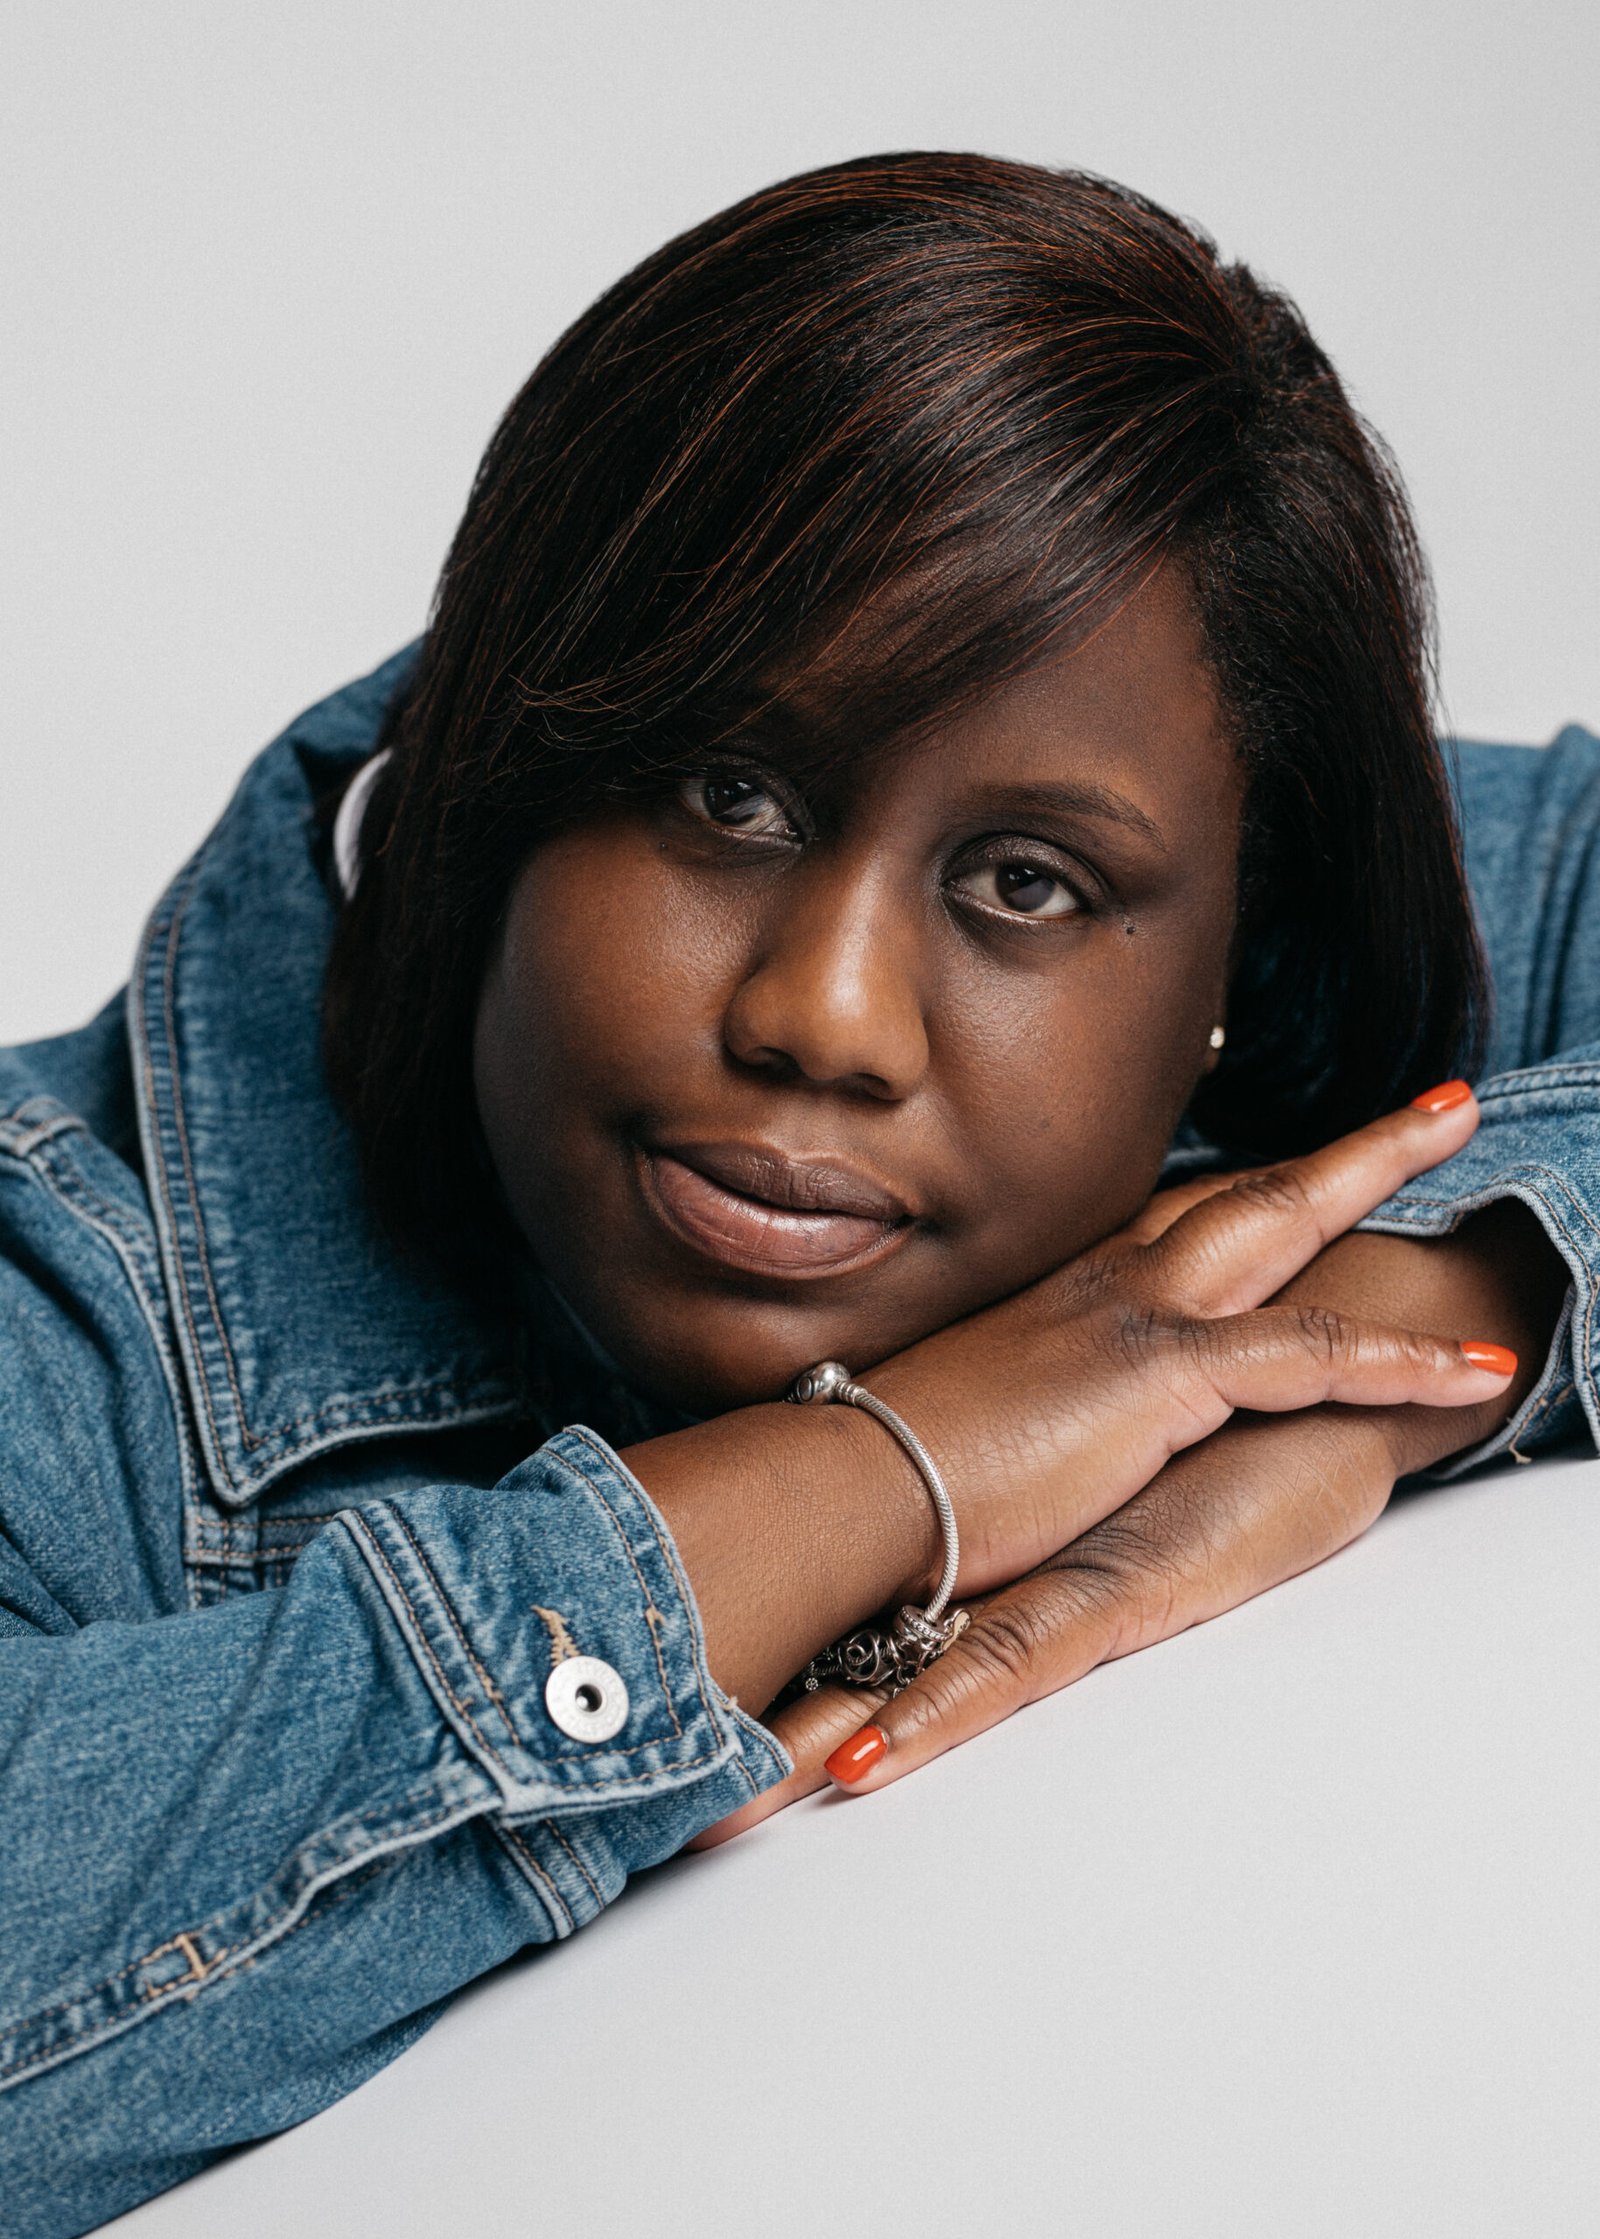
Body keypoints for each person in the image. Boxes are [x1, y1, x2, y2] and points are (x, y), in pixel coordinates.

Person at [0, 152, 1590, 2235]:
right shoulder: (58, 1294)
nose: (823, 1015)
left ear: (1240, 965)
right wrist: (896, 1468)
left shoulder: (1255, 840)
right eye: (723, 793)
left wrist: (1398, 1320)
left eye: (1026, 884)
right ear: (487, 791)